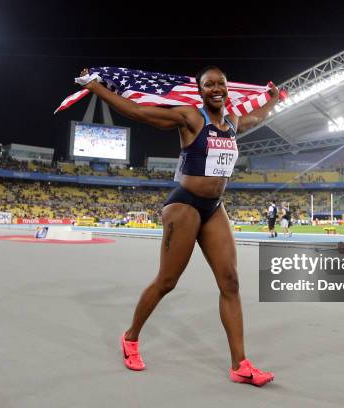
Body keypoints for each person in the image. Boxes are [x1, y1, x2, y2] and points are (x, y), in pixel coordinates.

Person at [80, 66, 278, 386]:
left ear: (227, 90)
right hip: (184, 204)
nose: (216, 88)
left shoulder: (232, 123)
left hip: (214, 208)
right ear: (200, 91)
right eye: (209, 84)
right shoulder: (190, 118)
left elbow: (259, 117)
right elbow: (139, 112)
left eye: (220, 84)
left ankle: (240, 364)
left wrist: (272, 98)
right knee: (167, 280)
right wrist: (96, 88)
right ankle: (130, 338)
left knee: (230, 282)